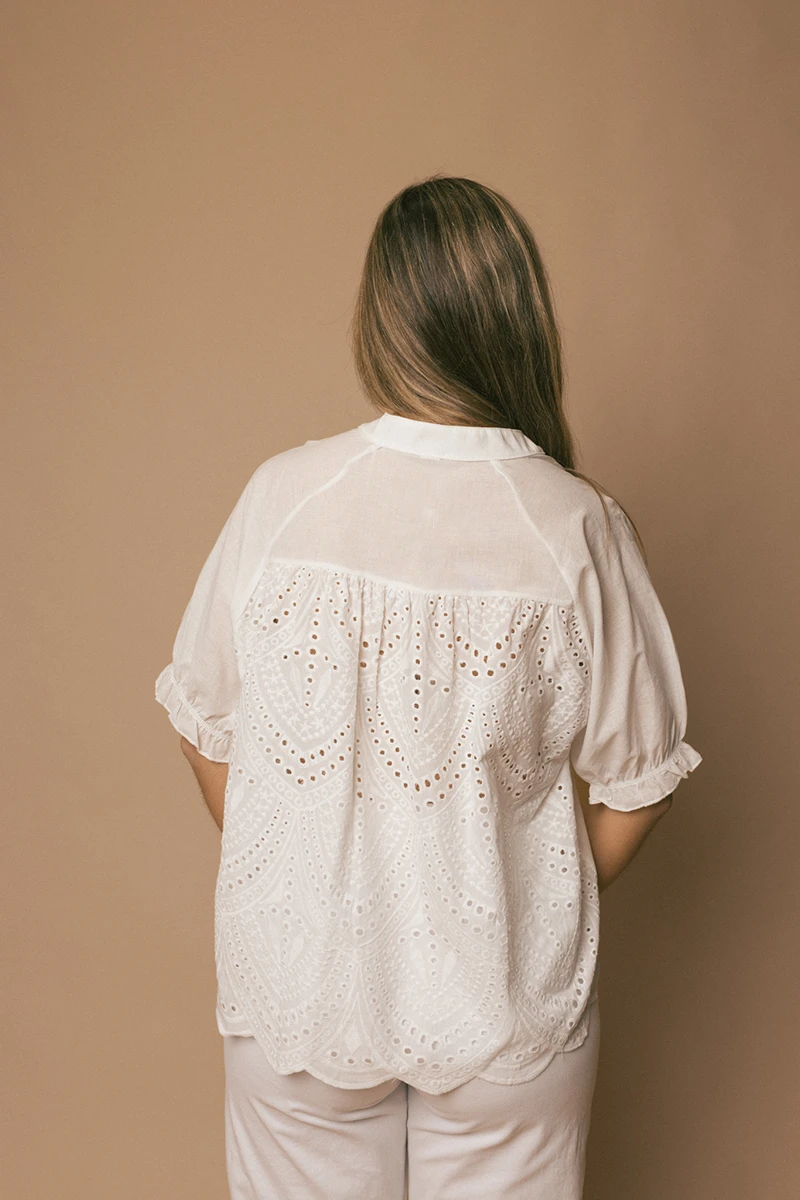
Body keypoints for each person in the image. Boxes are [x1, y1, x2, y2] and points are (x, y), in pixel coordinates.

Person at [154, 175, 702, 1199]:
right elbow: (641, 781)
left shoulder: (285, 496)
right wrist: (524, 897)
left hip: (300, 994)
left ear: (380, 319)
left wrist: (311, 873)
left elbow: (203, 723)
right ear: (518, 318)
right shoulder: (575, 524)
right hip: (504, 1012)